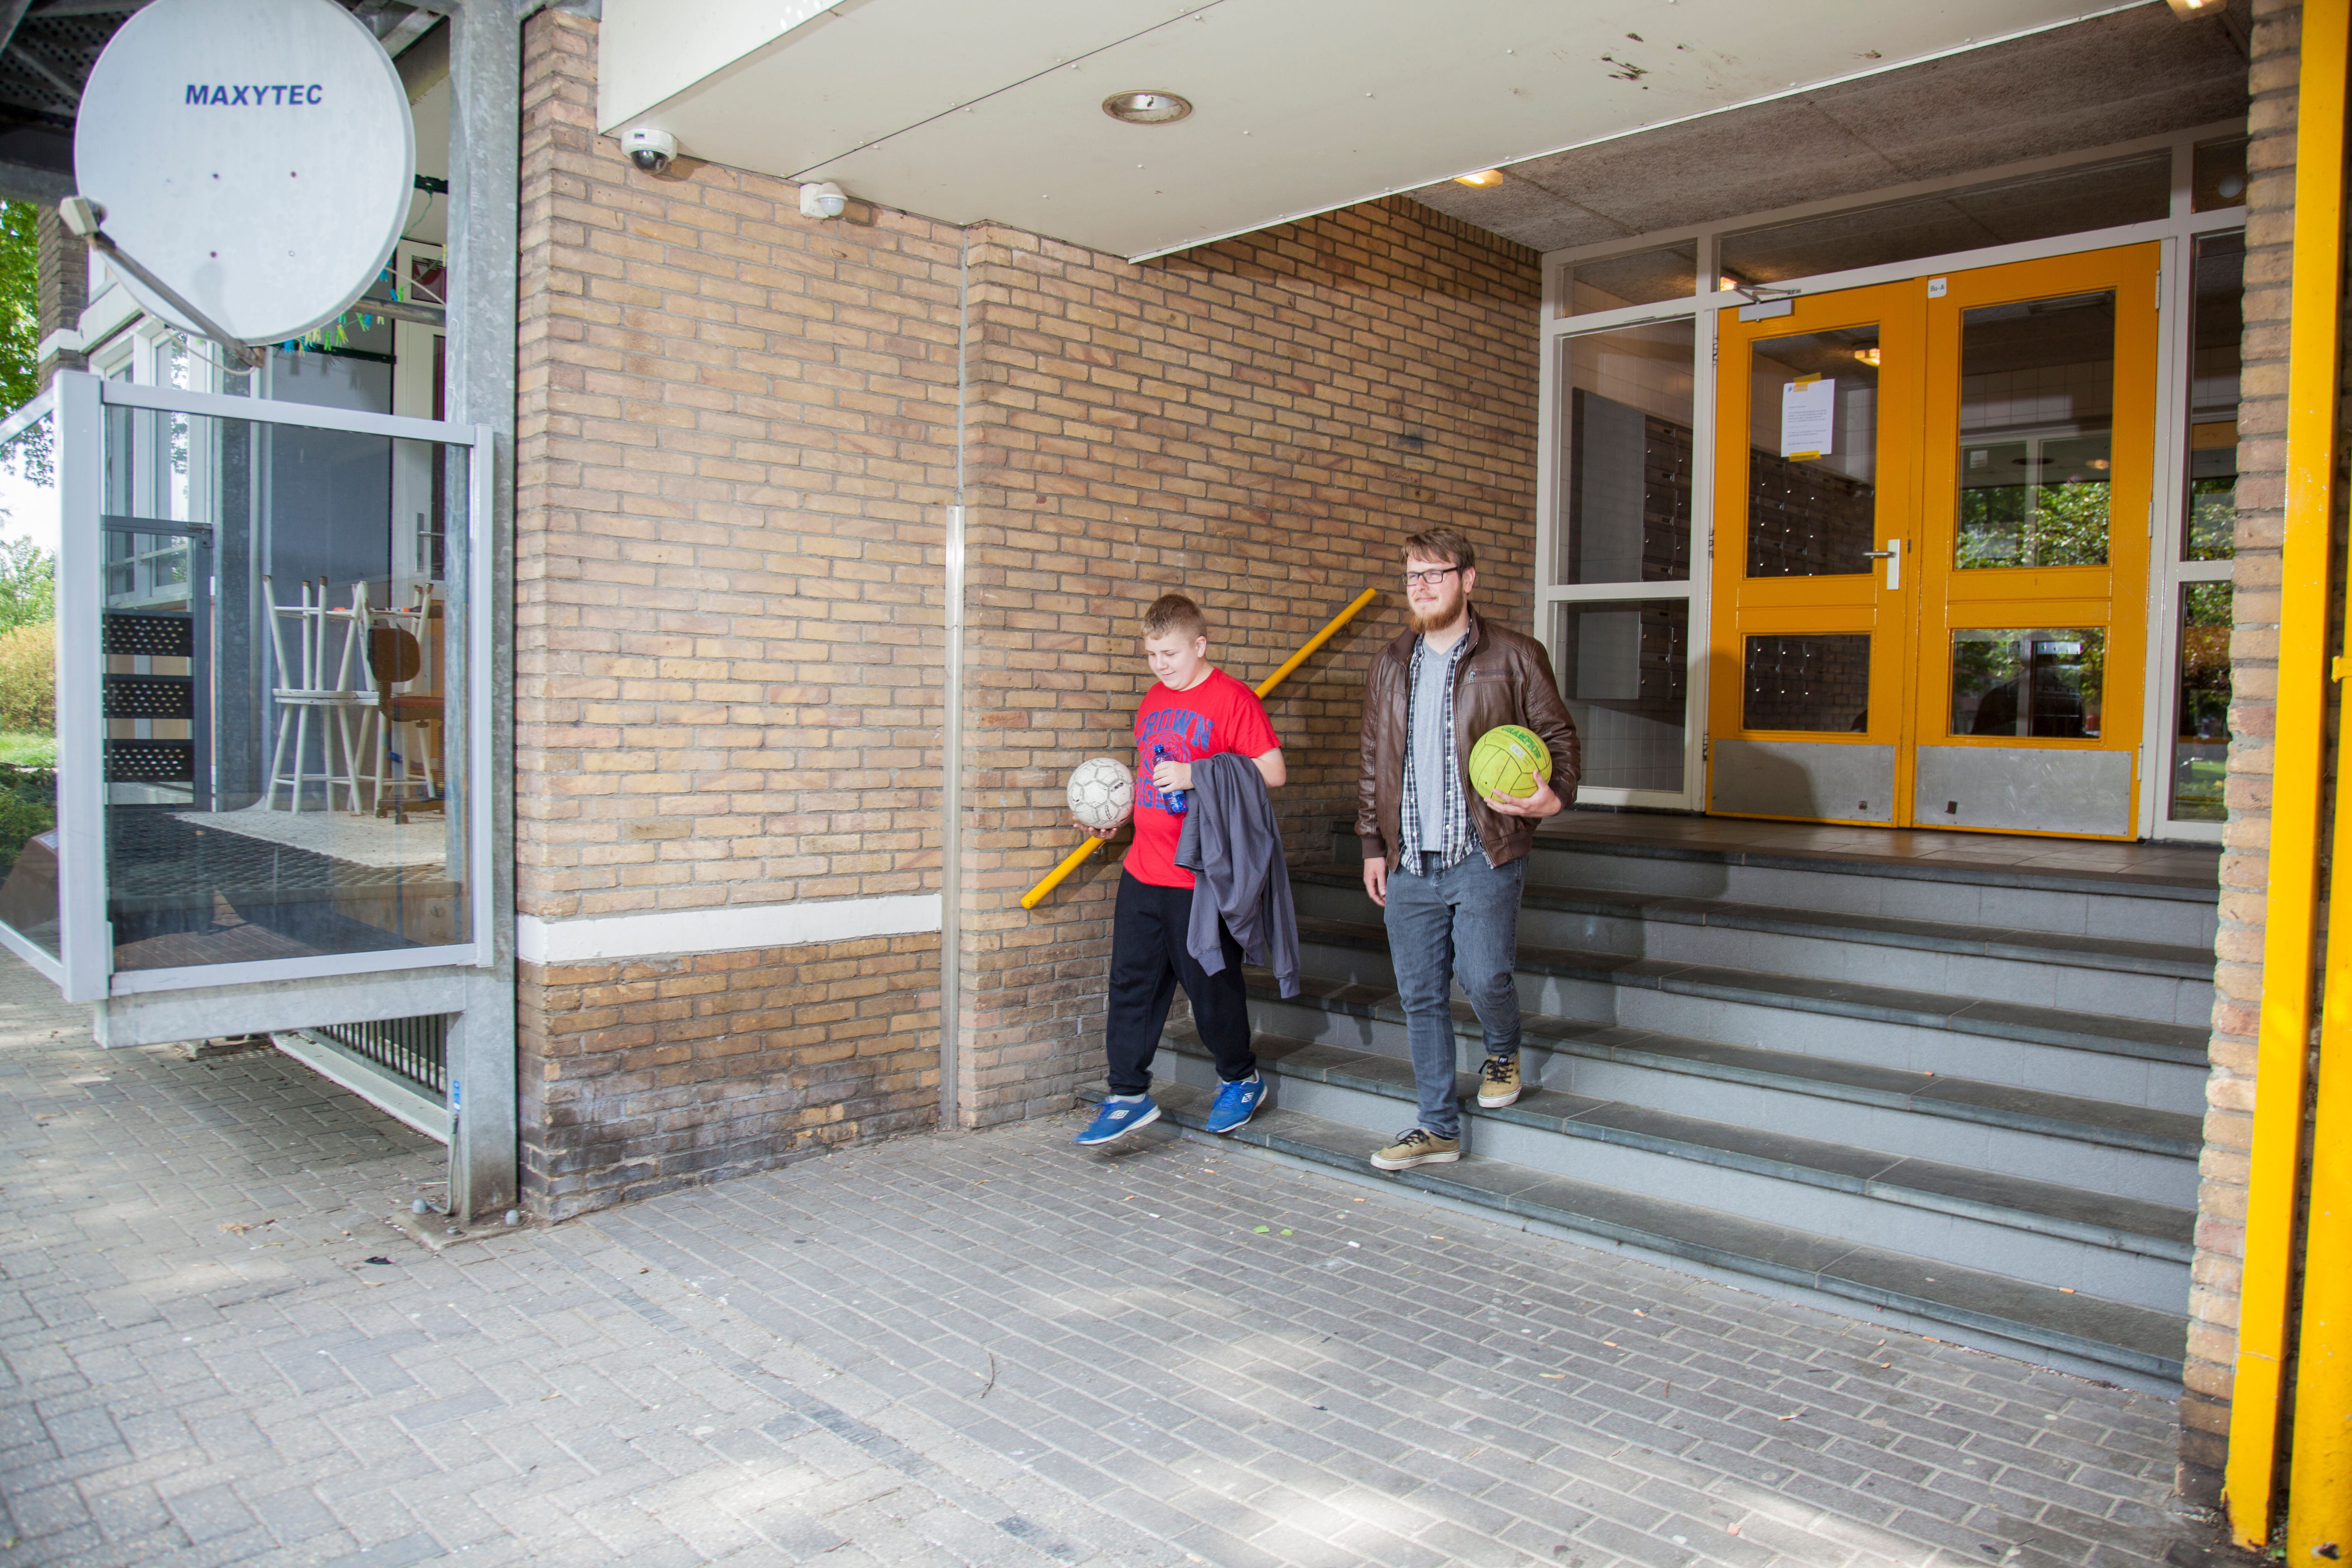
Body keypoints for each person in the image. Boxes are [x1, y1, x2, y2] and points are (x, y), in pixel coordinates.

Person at [1356, 528, 1580, 1171]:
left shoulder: (1515, 656)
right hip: (1410, 861)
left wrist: (1553, 797)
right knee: (1420, 994)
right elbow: (1374, 760)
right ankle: (1436, 1127)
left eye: (1435, 574)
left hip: (1483, 851)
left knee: (1483, 976)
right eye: (1412, 577)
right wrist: (1373, 843)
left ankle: (1503, 1046)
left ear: (1468, 580)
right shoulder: (1391, 662)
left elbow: (1559, 739)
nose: (1421, 587)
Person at [1073, 593, 1287, 1147]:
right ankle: (1127, 1094)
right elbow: (1149, 774)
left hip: (1202, 876)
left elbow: (1273, 771)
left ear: (1200, 645)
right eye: (1151, 654)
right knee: (1130, 983)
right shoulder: (1153, 699)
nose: (1160, 665)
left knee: (1210, 986)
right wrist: (1119, 819)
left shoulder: (1233, 699)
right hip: (1145, 866)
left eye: (1169, 653)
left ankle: (1240, 1078)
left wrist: (1199, 775)